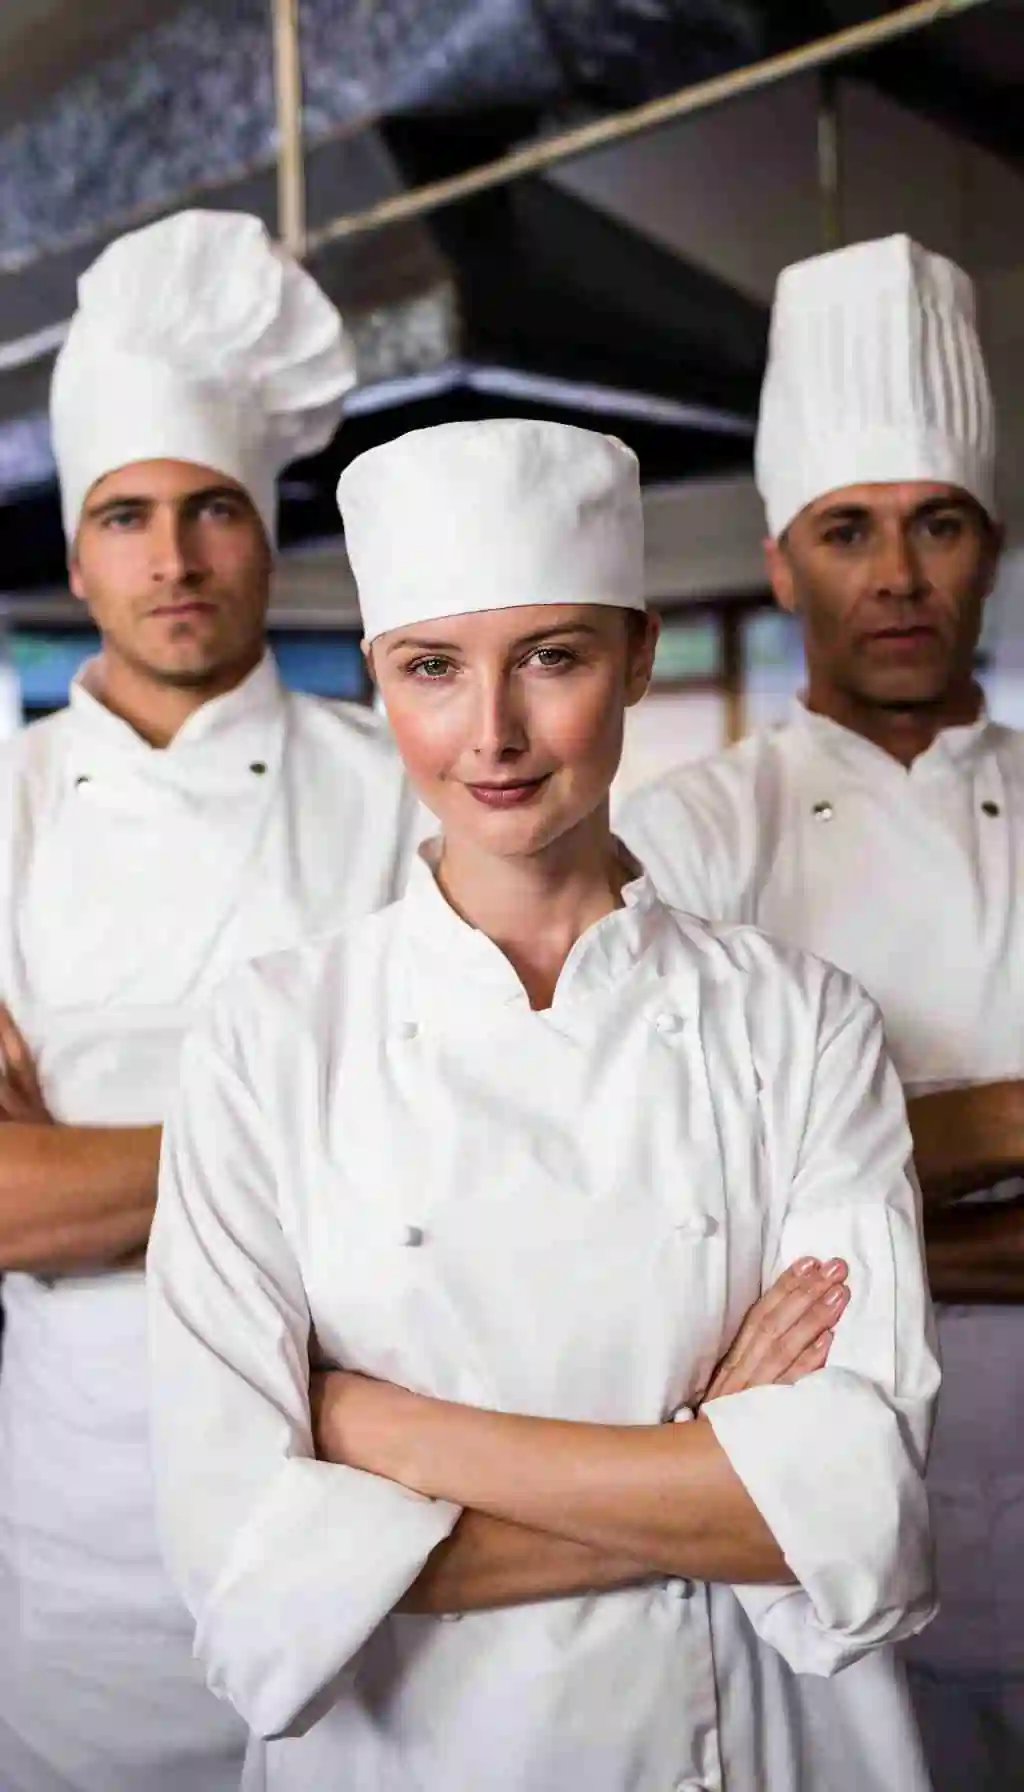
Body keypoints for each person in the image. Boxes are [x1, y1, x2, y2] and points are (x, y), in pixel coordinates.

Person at [148, 416, 938, 1792]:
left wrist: (400, 1438)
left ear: (636, 660)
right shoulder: (267, 1040)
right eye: (433, 669)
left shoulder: (801, 1022)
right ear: (378, 679)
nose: (493, 733)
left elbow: (864, 1514)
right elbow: (246, 1579)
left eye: (552, 658)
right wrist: (707, 1476)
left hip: (749, 1741)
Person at [0, 209, 419, 1792]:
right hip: (83, 1527)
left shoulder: (402, 789)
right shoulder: (6, 811)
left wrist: (82, 1173)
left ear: (266, 535)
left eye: (211, 510)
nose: (172, 560)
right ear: (74, 552)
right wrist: (318, 1135)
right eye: (127, 515)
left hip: (357, 1494)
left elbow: (476, 1149)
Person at [619, 233, 1023, 1788]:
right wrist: (1004, 1124)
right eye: (849, 531)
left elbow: (774, 1222)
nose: (900, 576)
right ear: (784, 562)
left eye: (939, 525)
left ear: (991, 547)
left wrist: (858, 1223)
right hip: (819, 1534)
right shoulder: (685, 841)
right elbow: (670, 1207)